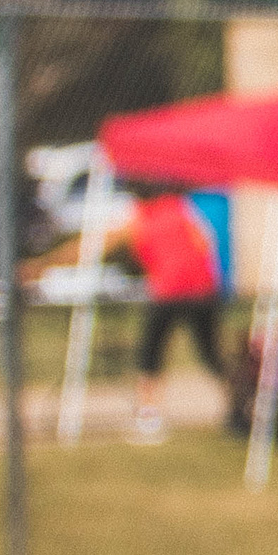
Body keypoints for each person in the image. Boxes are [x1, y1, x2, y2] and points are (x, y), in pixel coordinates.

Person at [107, 188, 226, 443]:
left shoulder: (142, 216)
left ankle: (148, 416)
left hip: (171, 291)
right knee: (210, 354)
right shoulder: (179, 207)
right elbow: (205, 242)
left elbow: (106, 242)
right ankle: (240, 402)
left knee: (150, 354)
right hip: (201, 289)